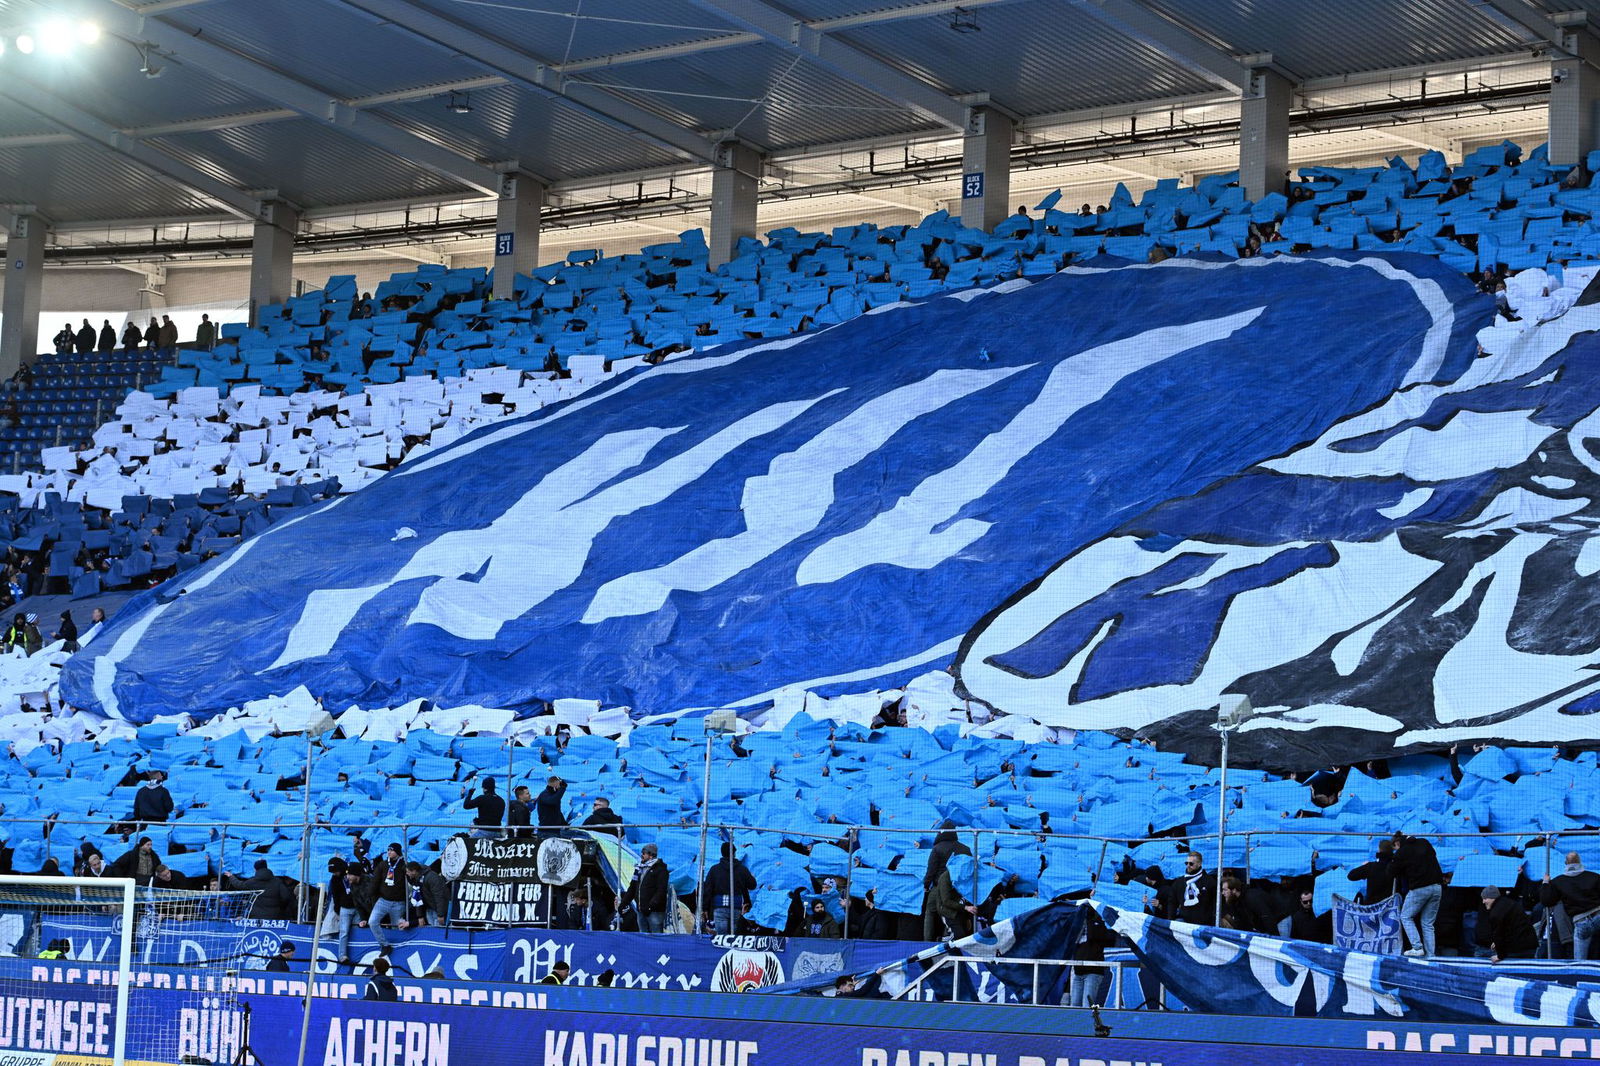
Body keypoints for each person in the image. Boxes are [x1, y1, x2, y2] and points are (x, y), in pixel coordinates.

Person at [1542, 851, 1600, 960]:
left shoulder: (1558, 881)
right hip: (1598, 914)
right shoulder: (1594, 877)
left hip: (1581, 921)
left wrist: (1545, 883)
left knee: (1579, 960)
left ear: (1565, 863)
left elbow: (1547, 901)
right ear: (1580, 861)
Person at [1393, 831, 1443, 957]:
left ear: (1397, 843)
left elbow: (1391, 872)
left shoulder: (1402, 852)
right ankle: (1431, 955)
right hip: (1437, 887)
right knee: (1428, 923)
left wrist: (1396, 859)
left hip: (1419, 889)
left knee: (1405, 916)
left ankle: (1417, 947)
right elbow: (1432, 855)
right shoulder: (1424, 842)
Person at [921, 826, 972, 940]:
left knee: (930, 911)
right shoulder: (966, 849)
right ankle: (947, 936)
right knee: (952, 912)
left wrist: (926, 885)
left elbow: (931, 870)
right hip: (960, 888)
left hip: (940, 885)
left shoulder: (937, 848)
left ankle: (927, 941)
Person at [700, 842, 756, 935]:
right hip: (736, 907)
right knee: (734, 936)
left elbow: (707, 890)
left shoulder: (714, 869)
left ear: (722, 853)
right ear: (734, 853)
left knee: (721, 937)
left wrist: (704, 908)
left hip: (719, 907)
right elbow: (752, 885)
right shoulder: (742, 869)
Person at [367, 842, 409, 950]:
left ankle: (399, 951)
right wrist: (370, 894)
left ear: (398, 852)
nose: (389, 852)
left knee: (398, 928)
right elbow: (375, 881)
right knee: (372, 922)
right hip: (383, 901)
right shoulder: (383, 864)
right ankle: (384, 945)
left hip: (399, 903)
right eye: (388, 850)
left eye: (392, 850)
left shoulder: (404, 865)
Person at [620, 843, 670, 934]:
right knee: (643, 935)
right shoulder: (639, 868)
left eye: (644, 853)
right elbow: (632, 888)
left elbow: (661, 891)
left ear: (651, 855)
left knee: (656, 937)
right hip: (641, 911)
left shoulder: (661, 870)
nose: (641, 855)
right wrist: (623, 903)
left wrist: (650, 907)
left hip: (654, 912)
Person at [1479, 887, 1538, 962]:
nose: (1483, 902)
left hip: (1518, 950)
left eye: (1485, 898)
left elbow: (1499, 933)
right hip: (1529, 945)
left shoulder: (1496, 912)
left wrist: (1500, 956)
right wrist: (1497, 943)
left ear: (1492, 897)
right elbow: (1509, 929)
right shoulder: (1508, 903)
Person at [227, 860, 295, 920]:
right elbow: (286, 897)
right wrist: (280, 907)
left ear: (255, 869)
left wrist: (231, 876)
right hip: (274, 916)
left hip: (256, 916)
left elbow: (238, 885)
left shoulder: (253, 881)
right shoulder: (277, 881)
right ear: (266, 867)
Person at [1163, 851, 1215, 926]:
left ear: (1199, 864)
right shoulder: (1179, 882)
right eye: (1186, 863)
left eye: (1191, 863)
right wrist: (1170, 920)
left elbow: (1214, 903)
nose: (1188, 865)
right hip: (1184, 921)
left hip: (1203, 923)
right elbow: (1172, 902)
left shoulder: (1209, 881)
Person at [327, 857, 360, 965]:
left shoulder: (352, 870)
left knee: (358, 931)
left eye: (335, 871)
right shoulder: (334, 880)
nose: (335, 873)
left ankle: (358, 954)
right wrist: (337, 910)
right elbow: (335, 896)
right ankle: (342, 955)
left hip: (358, 908)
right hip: (345, 908)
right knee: (344, 932)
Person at [1349, 838, 1396, 904]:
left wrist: (1364, 869)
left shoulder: (1371, 867)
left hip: (1372, 905)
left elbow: (1351, 876)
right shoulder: (1396, 867)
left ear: (1379, 850)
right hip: (1390, 905)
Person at [404, 862, 449, 927]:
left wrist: (440, 914)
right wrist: (420, 916)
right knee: (431, 930)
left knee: (438, 930)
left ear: (414, 871)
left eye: (408, 872)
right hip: (429, 907)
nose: (407, 873)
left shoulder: (432, 877)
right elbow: (417, 899)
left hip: (438, 909)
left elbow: (439, 897)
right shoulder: (416, 879)